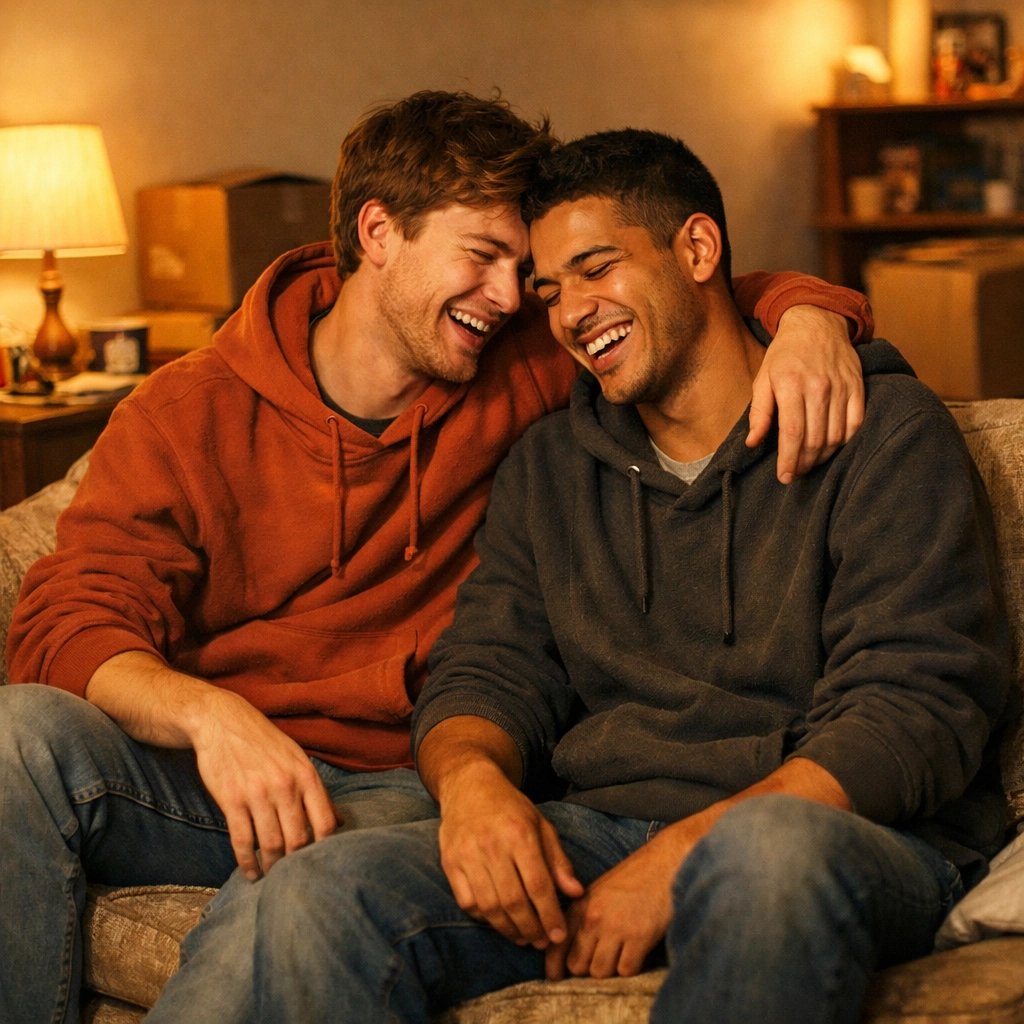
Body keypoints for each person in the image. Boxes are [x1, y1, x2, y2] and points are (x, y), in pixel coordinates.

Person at [1, 94, 872, 1024]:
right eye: (483, 256)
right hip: (217, 776)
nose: (510, 297)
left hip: (400, 777)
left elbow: (685, 299)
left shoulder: (520, 355)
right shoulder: (187, 410)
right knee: (15, 736)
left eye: (522, 270)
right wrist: (213, 719)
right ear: (378, 232)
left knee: (310, 881)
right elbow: (65, 622)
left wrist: (815, 317)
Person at [241, 129, 1011, 1024]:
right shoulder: (550, 468)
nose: (571, 312)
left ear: (696, 249)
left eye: (596, 268)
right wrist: (475, 788)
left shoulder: (882, 433)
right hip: (600, 830)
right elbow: (488, 666)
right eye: (550, 288)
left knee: (764, 856)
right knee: (321, 888)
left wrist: (685, 855)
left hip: (844, 837)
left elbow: (914, 707)